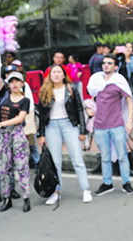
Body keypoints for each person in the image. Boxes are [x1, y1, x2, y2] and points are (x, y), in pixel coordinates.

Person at [37, 65, 92, 205]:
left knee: (77, 159)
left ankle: (86, 190)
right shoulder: (44, 91)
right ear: (49, 75)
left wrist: (82, 131)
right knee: (55, 162)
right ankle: (55, 191)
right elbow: (43, 115)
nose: (56, 74)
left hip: (69, 125)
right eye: (53, 72)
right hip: (52, 127)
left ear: (63, 75)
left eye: (58, 72)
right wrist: (41, 134)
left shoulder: (71, 89)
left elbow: (79, 109)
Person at [86, 54, 133, 196]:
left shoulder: (119, 81)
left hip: (116, 124)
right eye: (104, 63)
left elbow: (129, 100)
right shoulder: (96, 80)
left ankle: (126, 183)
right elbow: (92, 97)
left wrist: (129, 120)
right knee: (105, 157)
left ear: (115, 66)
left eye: (109, 63)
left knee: (122, 156)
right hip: (100, 125)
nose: (106, 65)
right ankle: (107, 183)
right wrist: (88, 108)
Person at [0, 72, 32, 212]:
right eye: (12, 81)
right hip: (2, 136)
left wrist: (1, 124)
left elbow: (20, 118)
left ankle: (26, 198)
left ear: (22, 83)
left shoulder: (25, 100)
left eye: (17, 81)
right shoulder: (2, 98)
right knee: (4, 168)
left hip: (17, 135)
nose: (14, 84)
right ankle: (6, 198)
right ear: (8, 84)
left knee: (22, 167)